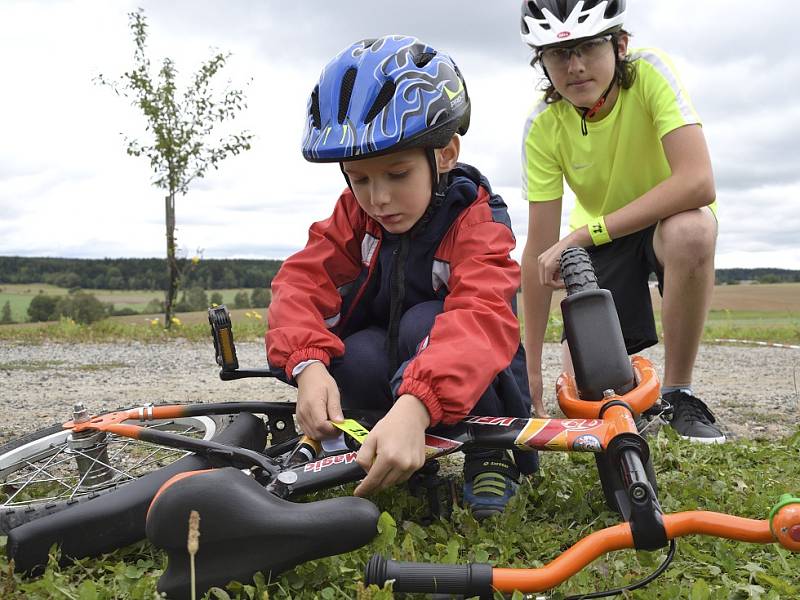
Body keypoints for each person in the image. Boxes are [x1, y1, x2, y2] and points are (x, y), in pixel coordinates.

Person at [266, 35, 538, 520]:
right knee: (353, 355)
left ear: (446, 154)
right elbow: (300, 282)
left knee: (423, 321)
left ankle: (489, 453)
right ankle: (375, 436)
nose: (378, 198)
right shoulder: (356, 215)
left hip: (471, 382)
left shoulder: (478, 223)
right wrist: (308, 366)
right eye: (359, 178)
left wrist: (418, 403)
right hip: (395, 369)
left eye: (396, 175)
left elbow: (481, 318)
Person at [519, 0, 725, 443]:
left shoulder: (650, 72)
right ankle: (599, 372)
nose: (574, 66)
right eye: (558, 53)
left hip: (661, 226)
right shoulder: (542, 125)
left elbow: (698, 181)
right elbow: (537, 249)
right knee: (589, 394)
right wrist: (529, 369)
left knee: (693, 230)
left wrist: (584, 232)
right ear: (542, 61)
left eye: (589, 47)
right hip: (600, 246)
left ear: (620, 44)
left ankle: (679, 393)